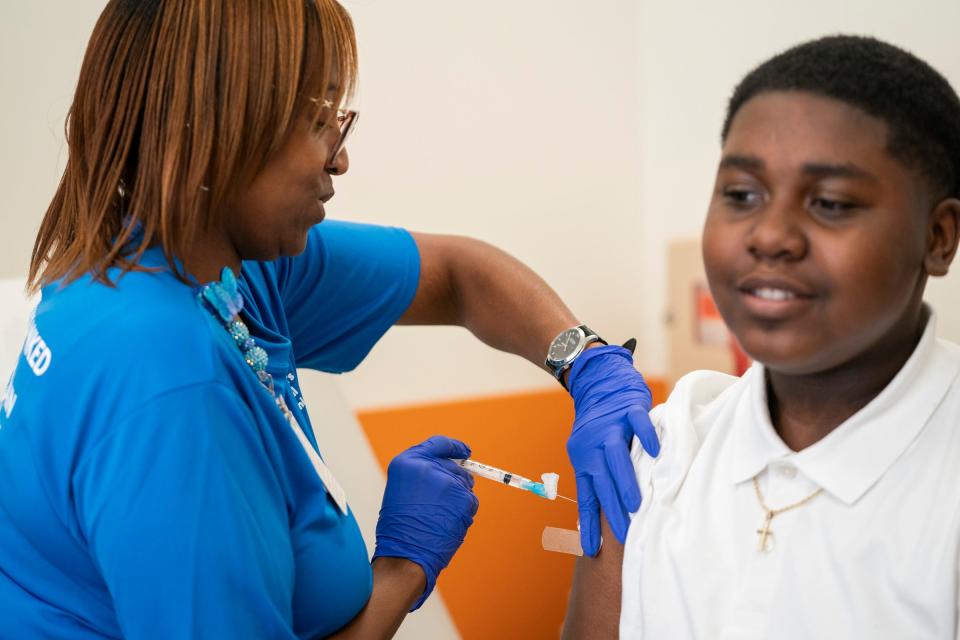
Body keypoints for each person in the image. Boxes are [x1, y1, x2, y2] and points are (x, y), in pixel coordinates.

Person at [0, 1, 658, 638]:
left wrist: (585, 361)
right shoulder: (168, 384)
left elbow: (460, 276)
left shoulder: (190, 266)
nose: (339, 158)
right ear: (223, 130)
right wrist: (403, 568)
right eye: (321, 124)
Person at [563, 35, 960, 639]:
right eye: (742, 194)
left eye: (829, 202)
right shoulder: (662, 452)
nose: (770, 235)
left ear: (938, 237)